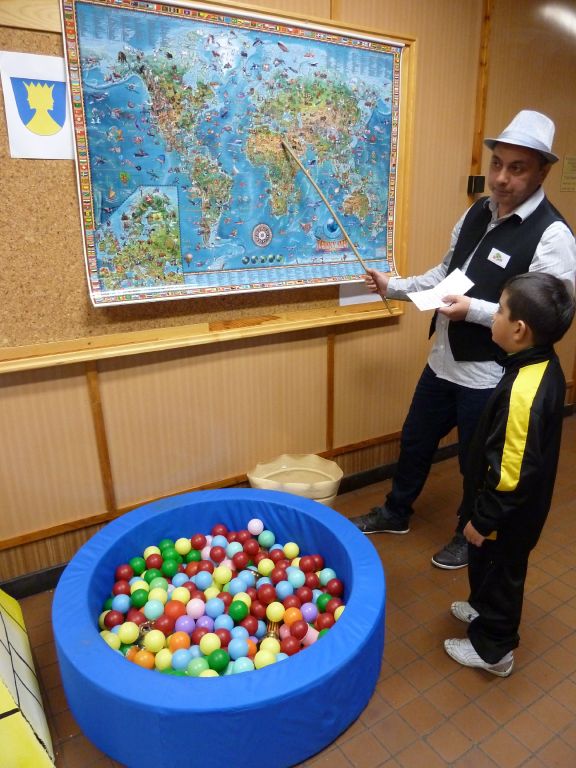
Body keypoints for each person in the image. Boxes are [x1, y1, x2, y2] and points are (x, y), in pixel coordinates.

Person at [350, 109, 576, 569]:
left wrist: (472, 309)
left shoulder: (553, 235)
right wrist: (393, 286)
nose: (502, 178)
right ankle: (396, 511)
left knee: (477, 464)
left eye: (517, 168)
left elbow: (545, 318)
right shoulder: (477, 210)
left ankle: (467, 534)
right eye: (498, 164)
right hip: (443, 360)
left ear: (542, 172)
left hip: (489, 374)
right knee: (415, 441)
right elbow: (446, 274)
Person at [444, 272, 575, 676]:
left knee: (501, 573)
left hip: (507, 514)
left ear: (519, 330)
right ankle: (481, 607)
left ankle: (494, 650)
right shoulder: (537, 362)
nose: (494, 317)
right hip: (507, 507)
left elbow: (513, 472)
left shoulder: (524, 393)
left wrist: (484, 519)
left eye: (500, 310)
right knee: (487, 565)